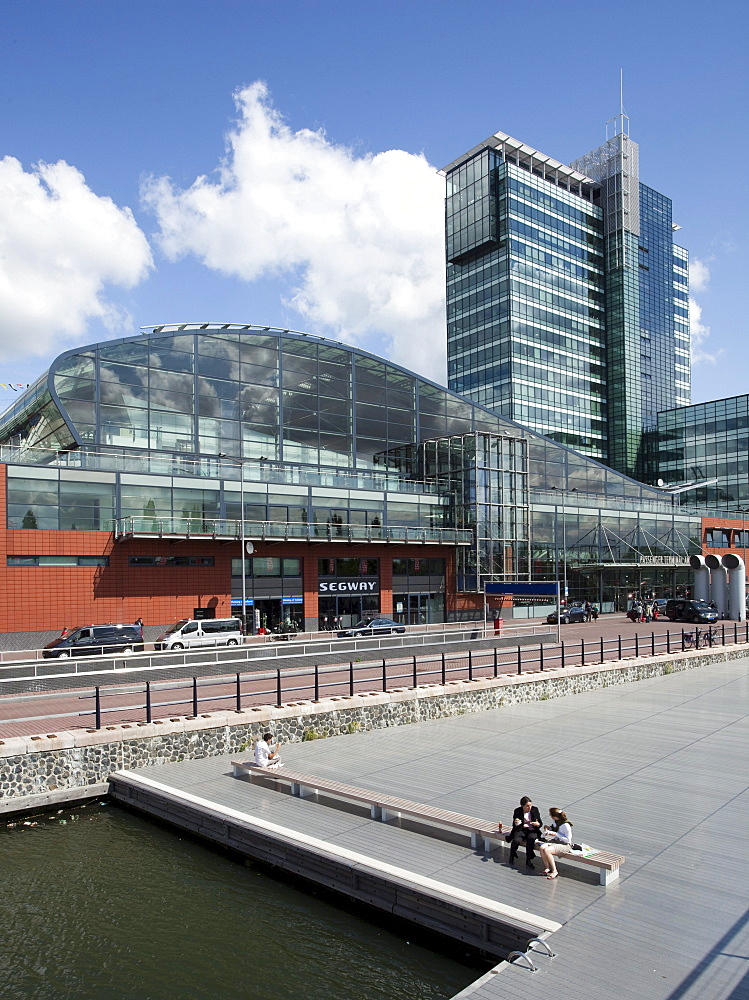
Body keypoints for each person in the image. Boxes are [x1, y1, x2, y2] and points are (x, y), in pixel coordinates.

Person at [506, 795, 542, 869]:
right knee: (516, 840)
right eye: (527, 806)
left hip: (532, 830)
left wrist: (537, 824)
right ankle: (512, 855)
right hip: (521, 829)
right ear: (522, 806)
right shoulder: (518, 811)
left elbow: (540, 823)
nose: (529, 808)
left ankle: (528, 860)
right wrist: (517, 823)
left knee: (531, 840)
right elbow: (515, 824)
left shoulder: (535, 810)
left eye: (530, 805)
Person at [539, 807, 575, 880]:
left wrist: (556, 834)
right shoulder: (555, 822)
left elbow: (568, 840)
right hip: (556, 841)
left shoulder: (566, 825)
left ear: (555, 817)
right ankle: (547, 867)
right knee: (542, 847)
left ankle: (554, 871)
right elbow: (554, 829)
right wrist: (549, 828)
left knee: (547, 850)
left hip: (565, 845)